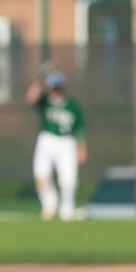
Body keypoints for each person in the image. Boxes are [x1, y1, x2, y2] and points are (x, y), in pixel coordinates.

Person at [25, 68, 87, 221]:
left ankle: (67, 209)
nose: (56, 90)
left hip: (66, 142)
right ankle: (50, 204)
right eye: (54, 86)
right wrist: (38, 81)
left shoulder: (72, 105)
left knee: (68, 178)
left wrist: (82, 148)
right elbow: (30, 98)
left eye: (59, 87)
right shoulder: (45, 102)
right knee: (41, 173)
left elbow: (79, 128)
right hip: (47, 139)